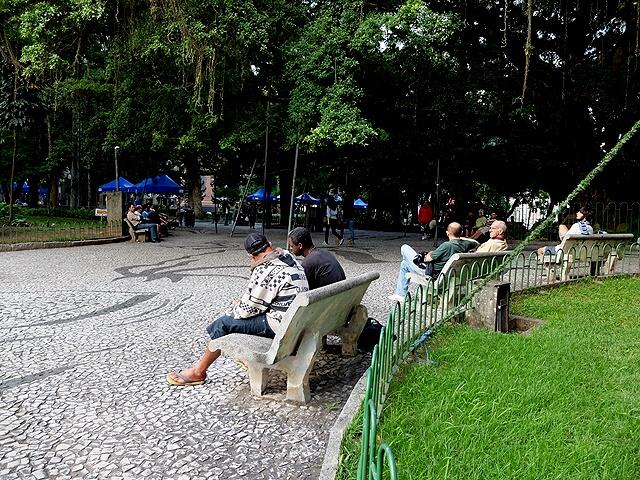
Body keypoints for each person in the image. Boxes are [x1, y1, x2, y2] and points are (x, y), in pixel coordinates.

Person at [166, 233, 309, 386]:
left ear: (250, 255)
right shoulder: (287, 257)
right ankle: (244, 358)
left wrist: (238, 305)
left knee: (222, 323)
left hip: (281, 327)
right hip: (298, 322)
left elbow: (245, 311)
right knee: (238, 316)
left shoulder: (266, 269)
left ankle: (198, 372)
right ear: (270, 244)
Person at [389, 222, 477, 301]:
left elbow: (427, 259)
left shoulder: (447, 245)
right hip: (450, 274)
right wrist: (460, 237)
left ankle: (401, 295)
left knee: (404, 248)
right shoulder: (467, 244)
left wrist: (430, 253)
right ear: (461, 232)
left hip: (432, 274)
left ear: (447, 233)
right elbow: (476, 243)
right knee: (404, 264)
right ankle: (400, 294)